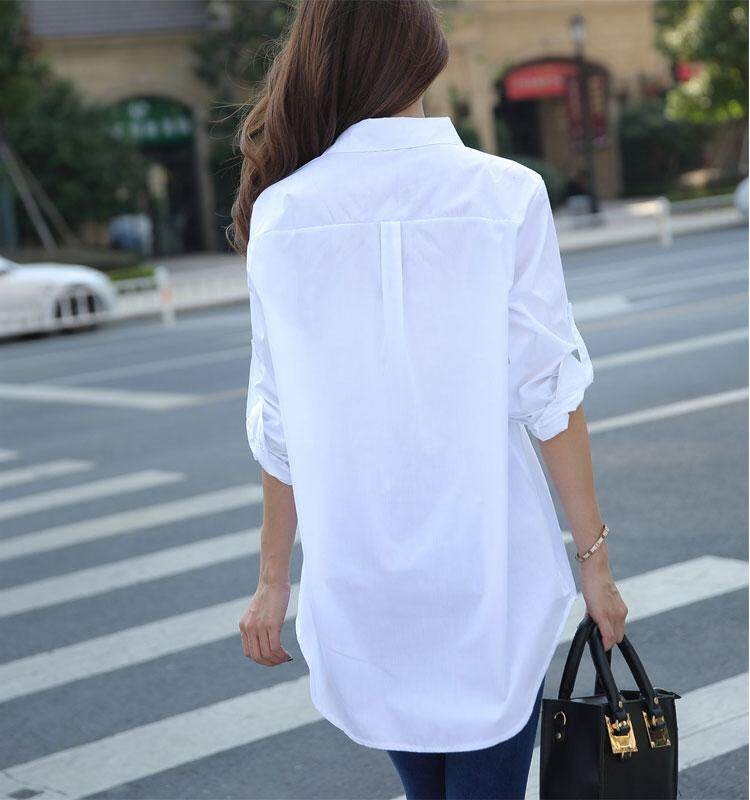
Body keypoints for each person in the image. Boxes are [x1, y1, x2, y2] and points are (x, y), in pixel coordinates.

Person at [233, 2, 628, 798]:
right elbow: (550, 397)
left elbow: (280, 426)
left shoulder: (281, 215)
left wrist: (273, 579)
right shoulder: (506, 194)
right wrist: (596, 565)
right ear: (426, 58)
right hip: (488, 573)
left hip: (363, 584)